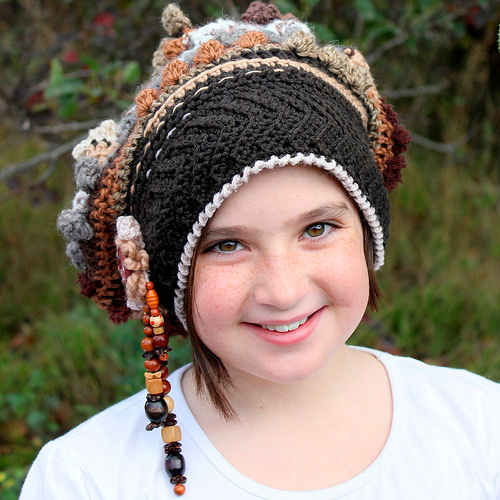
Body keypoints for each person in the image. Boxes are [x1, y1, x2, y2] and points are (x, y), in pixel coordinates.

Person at [20, 2, 500, 499]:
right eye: (227, 245)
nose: (283, 289)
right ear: (163, 274)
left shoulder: (481, 432)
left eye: (317, 228)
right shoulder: (87, 478)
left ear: (368, 232)